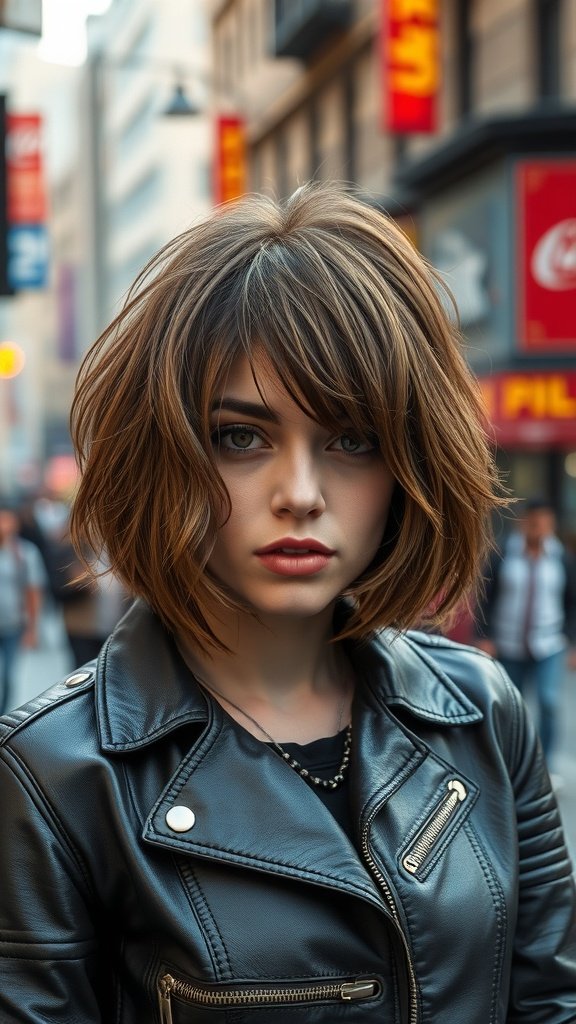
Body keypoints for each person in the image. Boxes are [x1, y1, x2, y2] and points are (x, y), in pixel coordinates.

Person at [0, 183, 574, 1022]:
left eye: (351, 439)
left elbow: (548, 1001)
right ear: (167, 452)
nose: (300, 493)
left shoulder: (481, 713)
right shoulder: (57, 774)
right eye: (242, 438)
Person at [474, 498, 576, 765]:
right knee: (510, 706)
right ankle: (510, 763)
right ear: (522, 522)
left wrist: (572, 642)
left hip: (550, 644)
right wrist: (484, 636)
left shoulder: (562, 558)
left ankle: (546, 764)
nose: (537, 527)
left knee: (549, 701)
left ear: (551, 525)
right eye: (532, 521)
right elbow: (484, 597)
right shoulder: (503, 553)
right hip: (508, 644)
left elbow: (572, 602)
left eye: (543, 522)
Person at [0, 500, 44, 715]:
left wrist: (32, 628)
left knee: (7, 675)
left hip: (12, 626)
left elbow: (33, 592)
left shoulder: (26, 553)